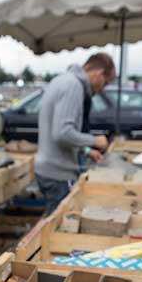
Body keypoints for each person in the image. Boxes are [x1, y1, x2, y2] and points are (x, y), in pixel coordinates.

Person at [35, 53, 115, 214]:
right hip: (58, 174)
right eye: (105, 83)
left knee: (52, 223)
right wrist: (94, 141)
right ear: (99, 73)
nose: (102, 89)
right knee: (56, 231)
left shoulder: (63, 80)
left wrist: (86, 150)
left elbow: (57, 133)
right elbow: (62, 133)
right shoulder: (73, 86)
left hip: (49, 169)